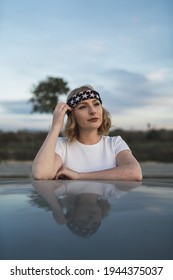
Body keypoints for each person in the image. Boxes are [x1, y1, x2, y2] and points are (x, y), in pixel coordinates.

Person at [32, 84, 142, 181]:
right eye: (83, 107)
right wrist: (56, 126)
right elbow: (41, 174)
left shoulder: (115, 143)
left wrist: (79, 176)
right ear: (72, 116)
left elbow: (134, 173)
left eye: (96, 104)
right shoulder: (62, 145)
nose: (93, 111)